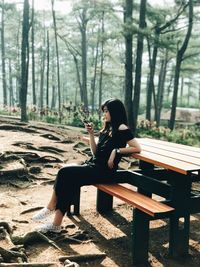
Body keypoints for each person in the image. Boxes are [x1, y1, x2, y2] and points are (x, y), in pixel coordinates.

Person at [32, 98, 141, 233]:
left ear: (115, 112)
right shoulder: (107, 129)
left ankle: (51, 206)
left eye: (107, 111)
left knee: (64, 173)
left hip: (104, 172)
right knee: (69, 179)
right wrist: (90, 135)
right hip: (94, 166)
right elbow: (95, 153)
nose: (104, 114)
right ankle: (56, 225)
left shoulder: (121, 128)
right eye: (104, 111)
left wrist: (116, 151)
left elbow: (136, 148)